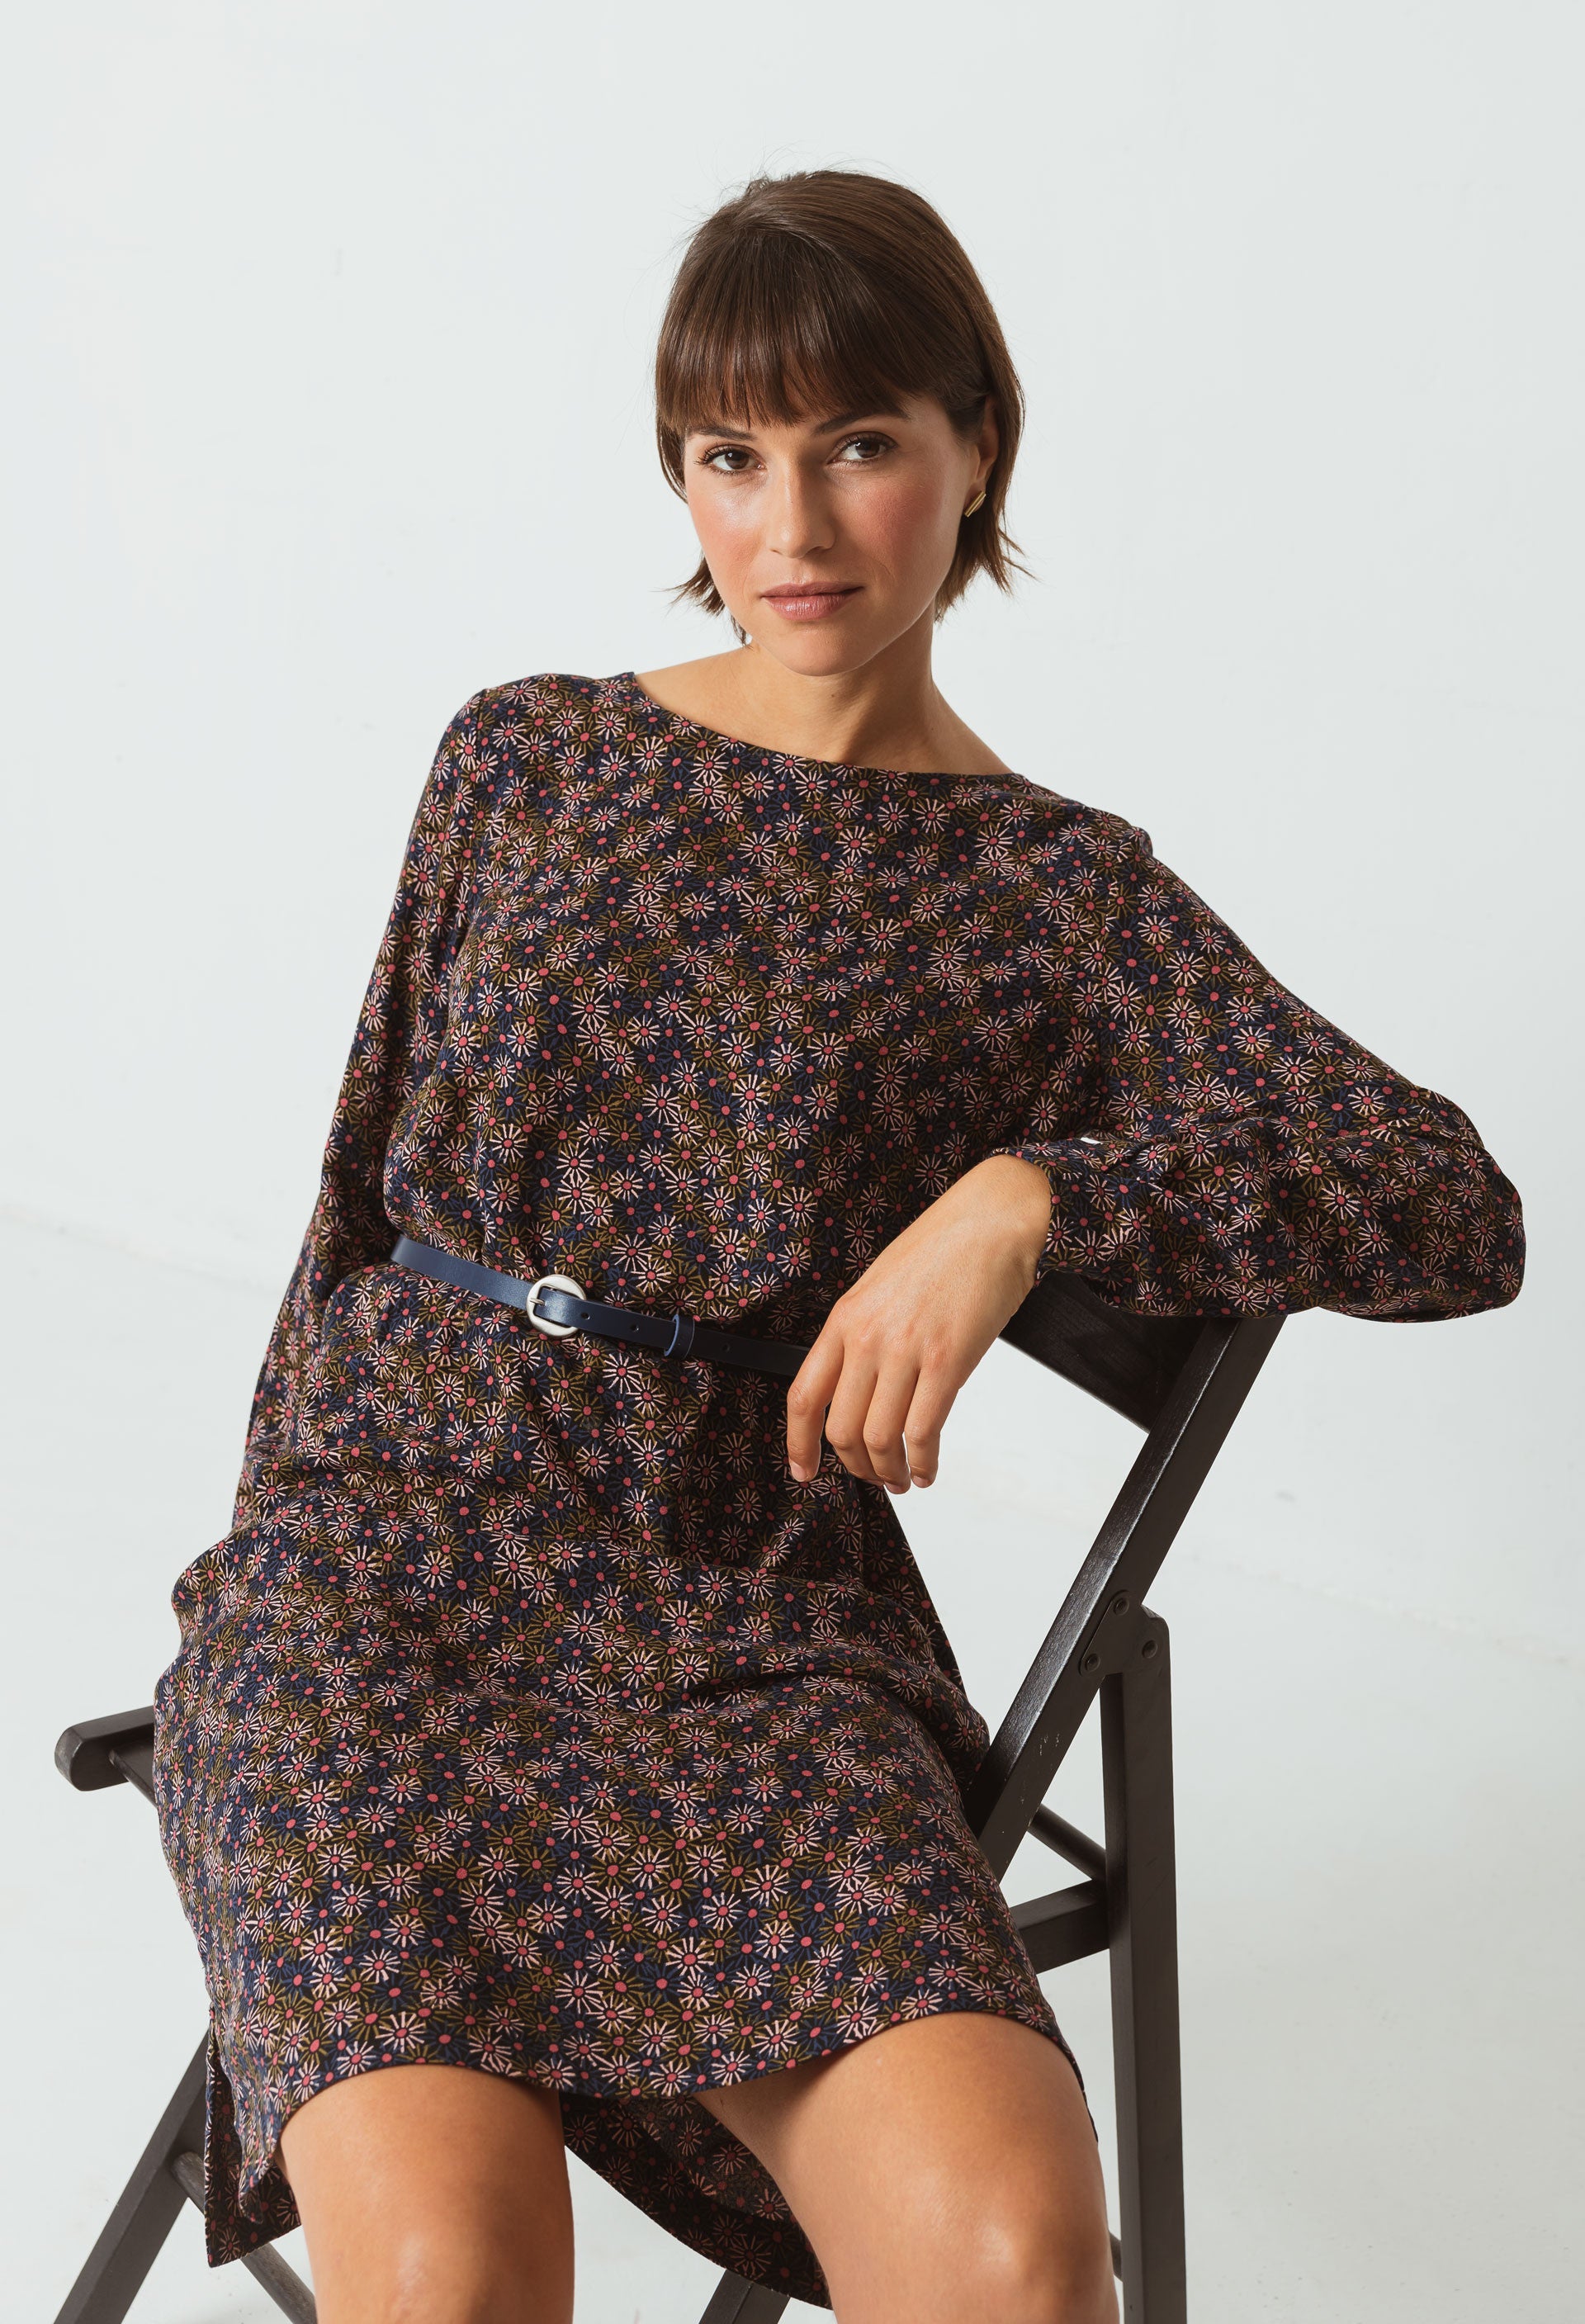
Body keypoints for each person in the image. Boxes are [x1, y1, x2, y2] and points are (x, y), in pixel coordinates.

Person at [152, 169, 1524, 2324]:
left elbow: (1451, 1199)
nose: (789, 526)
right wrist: (266, 1592)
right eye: (731, 457)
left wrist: (1032, 1197)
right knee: (449, 2276)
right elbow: (351, 1219)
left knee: (1013, 2260)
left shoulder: (1054, 896)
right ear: (681, 476)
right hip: (383, 1572)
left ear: (978, 448)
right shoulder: (527, 753)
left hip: (754, 1620)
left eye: (860, 443)